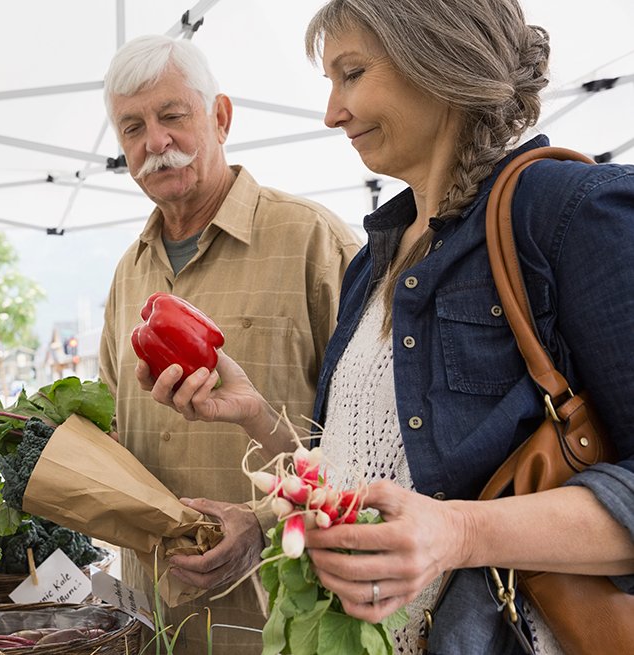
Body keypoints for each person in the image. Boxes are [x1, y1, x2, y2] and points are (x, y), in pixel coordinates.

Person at [143, 0, 634, 652]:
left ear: (441, 60)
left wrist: (460, 532)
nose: (331, 112)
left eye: (352, 73)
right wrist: (255, 413)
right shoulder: (373, 263)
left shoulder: (565, 214)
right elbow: (358, 475)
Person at [98, 35, 361, 653]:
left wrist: (266, 523)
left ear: (220, 117)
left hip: (275, 621)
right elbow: (115, 425)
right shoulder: (126, 273)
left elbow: (379, 445)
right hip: (147, 623)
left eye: (172, 116)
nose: (154, 143)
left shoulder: (314, 243)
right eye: (132, 127)